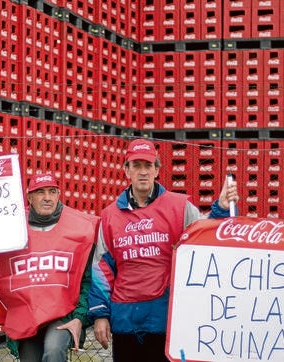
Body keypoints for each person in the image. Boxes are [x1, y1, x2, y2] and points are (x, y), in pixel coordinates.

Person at [87, 138, 240, 361]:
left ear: (157, 170)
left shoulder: (180, 206)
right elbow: (102, 268)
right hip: (124, 321)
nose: (142, 172)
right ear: (126, 170)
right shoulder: (110, 215)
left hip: (166, 319)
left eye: (148, 166)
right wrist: (100, 314)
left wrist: (221, 209)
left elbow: (204, 240)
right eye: (136, 166)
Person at [0, 173, 100, 361]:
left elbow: (88, 280)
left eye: (52, 191)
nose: (47, 197)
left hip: (64, 314)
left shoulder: (79, 229)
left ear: (59, 194)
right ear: (29, 197)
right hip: (26, 315)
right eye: (40, 192)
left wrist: (80, 317)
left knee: (53, 351)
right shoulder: (10, 229)